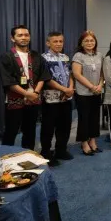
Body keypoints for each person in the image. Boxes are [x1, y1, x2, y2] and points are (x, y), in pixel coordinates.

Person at [0, 25, 51, 150]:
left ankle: (28, 156)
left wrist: (36, 93)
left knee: (30, 131)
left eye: (26, 35)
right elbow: (8, 81)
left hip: (34, 100)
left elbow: (43, 76)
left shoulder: (36, 56)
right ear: (13, 38)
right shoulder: (7, 57)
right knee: (11, 132)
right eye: (20, 35)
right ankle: (6, 159)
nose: (24, 37)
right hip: (15, 101)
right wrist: (27, 94)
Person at [41, 31, 74, 165]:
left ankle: (61, 149)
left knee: (65, 125)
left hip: (66, 98)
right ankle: (46, 152)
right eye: (55, 41)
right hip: (51, 99)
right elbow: (47, 79)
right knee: (49, 127)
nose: (59, 44)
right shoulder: (43, 58)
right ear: (48, 43)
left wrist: (70, 88)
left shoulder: (65, 57)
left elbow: (70, 74)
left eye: (61, 41)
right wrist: (64, 89)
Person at [72, 30, 104, 155]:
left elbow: (102, 74)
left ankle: (93, 141)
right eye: (86, 41)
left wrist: (100, 85)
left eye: (92, 40)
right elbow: (76, 74)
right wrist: (91, 86)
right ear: (81, 43)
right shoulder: (78, 56)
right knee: (84, 118)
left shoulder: (99, 55)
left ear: (95, 42)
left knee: (95, 118)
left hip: (96, 92)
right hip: (83, 93)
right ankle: (84, 143)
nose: (90, 43)